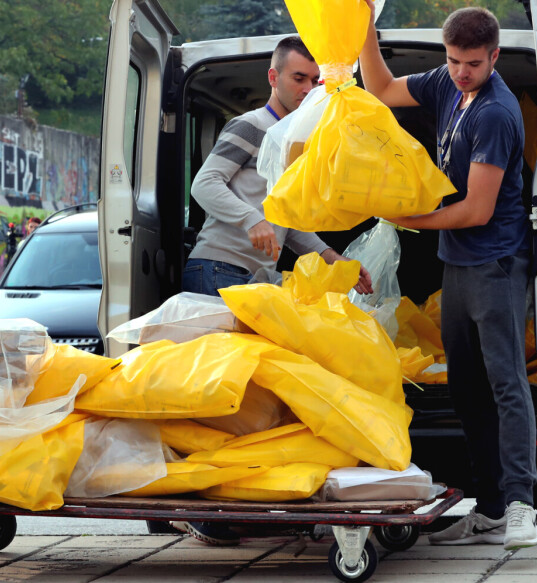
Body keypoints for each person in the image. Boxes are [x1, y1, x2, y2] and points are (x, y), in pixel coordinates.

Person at [178, 36, 372, 547]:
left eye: (315, 81)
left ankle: (237, 502)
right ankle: (201, 510)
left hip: (253, 283)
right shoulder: (251, 126)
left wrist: (334, 259)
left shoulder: (294, 141)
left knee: (250, 402)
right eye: (298, 78)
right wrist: (249, 220)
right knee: (216, 401)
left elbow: (285, 220)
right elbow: (205, 184)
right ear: (274, 77)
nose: (307, 89)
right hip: (217, 272)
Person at [359, 3, 537, 550]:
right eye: (455, 60)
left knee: (506, 383)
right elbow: (383, 89)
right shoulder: (445, 83)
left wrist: (409, 220)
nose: (462, 72)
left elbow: (477, 211)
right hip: (458, 266)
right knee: (465, 388)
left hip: (496, 263)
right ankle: (487, 511)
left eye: (473, 64)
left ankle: (520, 506)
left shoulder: (496, 113)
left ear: (494, 57)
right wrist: (366, 26)